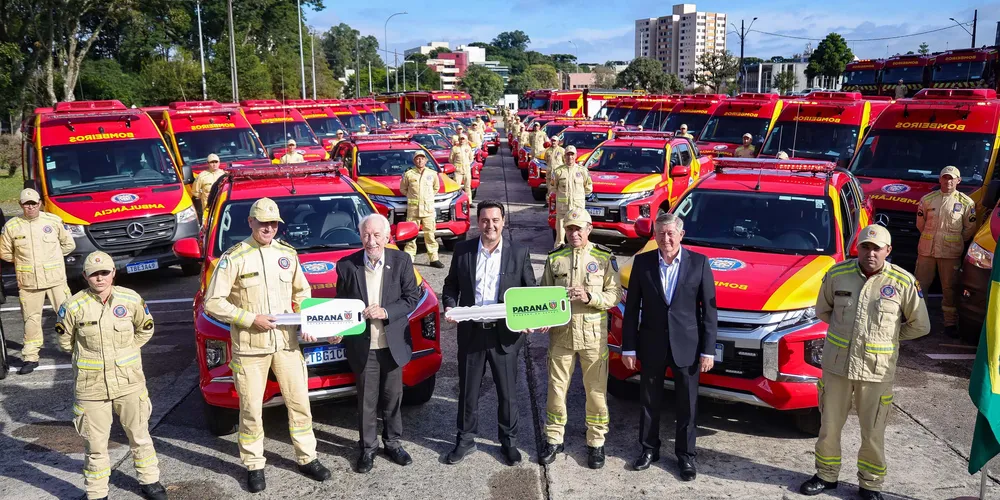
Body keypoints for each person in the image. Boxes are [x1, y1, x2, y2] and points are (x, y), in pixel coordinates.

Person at [203, 198, 331, 492]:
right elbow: (213, 302)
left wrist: (307, 320)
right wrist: (249, 318)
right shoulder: (234, 257)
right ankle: (254, 464)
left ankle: (307, 457)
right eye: (263, 223)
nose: (269, 228)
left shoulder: (287, 254)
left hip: (286, 344)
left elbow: (302, 291)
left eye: (273, 223)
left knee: (300, 403)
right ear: (250, 222)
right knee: (250, 409)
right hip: (250, 348)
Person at [799, 225, 930, 500]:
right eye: (866, 247)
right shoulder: (838, 274)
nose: (871, 253)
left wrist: (890, 338)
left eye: (877, 248)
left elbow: (920, 325)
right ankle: (826, 475)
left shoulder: (903, 282)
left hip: (876, 370)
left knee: (873, 432)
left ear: (888, 250)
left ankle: (870, 484)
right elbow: (823, 310)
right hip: (837, 366)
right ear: (857, 248)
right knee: (829, 426)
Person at [56, 251, 167, 500]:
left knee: (140, 436)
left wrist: (126, 353)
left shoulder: (130, 299)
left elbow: (145, 329)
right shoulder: (72, 306)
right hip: (91, 388)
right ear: (85, 276)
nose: (100, 278)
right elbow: (65, 343)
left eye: (104, 272)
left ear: (113, 273)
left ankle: (150, 481)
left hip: (129, 382)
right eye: (94, 274)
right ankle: (97, 493)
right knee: (95, 446)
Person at [621, 212, 718, 480]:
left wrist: (708, 350)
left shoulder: (699, 263)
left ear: (681, 235)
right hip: (651, 343)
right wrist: (628, 348)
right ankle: (649, 449)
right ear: (654, 235)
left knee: (687, 404)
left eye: (671, 233)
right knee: (649, 400)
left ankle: (686, 457)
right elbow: (631, 310)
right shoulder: (642, 264)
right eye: (661, 233)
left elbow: (709, 312)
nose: (666, 239)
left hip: (687, 345)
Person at [442, 200, 537, 466]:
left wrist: (532, 317)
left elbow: (529, 291)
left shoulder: (519, 253)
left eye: (495, 220)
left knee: (507, 393)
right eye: (485, 220)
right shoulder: (463, 251)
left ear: (503, 222)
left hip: (504, 335)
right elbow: (451, 286)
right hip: (472, 333)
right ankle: (465, 440)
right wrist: (450, 306)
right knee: (468, 391)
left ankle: (509, 442)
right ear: (478, 222)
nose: (490, 225)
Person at [332, 214, 422, 473]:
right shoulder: (346, 266)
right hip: (363, 346)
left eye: (377, 235)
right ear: (361, 236)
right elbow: (341, 305)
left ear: (387, 237)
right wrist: (337, 329)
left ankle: (393, 443)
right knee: (366, 401)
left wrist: (385, 311)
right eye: (366, 235)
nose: (371, 241)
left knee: (393, 397)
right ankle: (367, 448)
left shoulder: (402, 260)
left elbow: (411, 298)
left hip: (391, 344)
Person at [538, 210, 622, 469]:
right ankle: (554, 437)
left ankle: (596, 442)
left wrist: (590, 297)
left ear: (589, 228)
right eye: (570, 229)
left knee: (596, 392)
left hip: (593, 338)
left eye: (579, 229)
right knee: (556, 389)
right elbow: (543, 294)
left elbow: (615, 295)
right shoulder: (555, 258)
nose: (574, 234)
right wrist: (543, 316)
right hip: (561, 335)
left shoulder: (604, 257)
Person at [0, 188, 75, 374]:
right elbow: (5, 252)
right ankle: (31, 357)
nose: (30, 207)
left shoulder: (54, 221)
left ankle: (73, 348)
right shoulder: (12, 226)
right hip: (29, 283)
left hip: (55, 279)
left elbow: (69, 244)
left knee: (67, 315)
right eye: (26, 204)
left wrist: (53, 260)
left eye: (34, 203)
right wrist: (25, 263)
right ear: (21, 205)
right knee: (31, 320)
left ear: (40, 203)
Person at [914, 166, 976, 337]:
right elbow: (921, 224)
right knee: (920, 286)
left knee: (950, 288)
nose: (948, 181)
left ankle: (949, 323)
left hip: (950, 253)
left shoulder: (966, 203)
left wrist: (952, 241)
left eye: (952, 178)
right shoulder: (927, 200)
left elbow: (969, 229)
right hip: (927, 251)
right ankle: (919, 321)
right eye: (945, 178)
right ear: (939, 180)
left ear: (958, 180)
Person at [399, 150, 444, 268]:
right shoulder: (409, 174)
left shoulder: (432, 174)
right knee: (410, 236)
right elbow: (403, 189)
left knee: (430, 235)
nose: (420, 160)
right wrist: (411, 196)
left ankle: (434, 259)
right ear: (414, 161)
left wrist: (427, 198)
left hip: (428, 210)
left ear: (426, 160)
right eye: (417, 158)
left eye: (422, 158)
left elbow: (436, 188)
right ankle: (409, 258)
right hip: (413, 210)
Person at [548, 146, 593, 248]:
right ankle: (558, 254)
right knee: (560, 239)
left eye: (572, 154)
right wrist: (563, 196)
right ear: (564, 156)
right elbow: (553, 187)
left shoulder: (582, 171)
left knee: (578, 235)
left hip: (577, 208)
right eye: (568, 154)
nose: (570, 157)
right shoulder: (558, 171)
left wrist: (578, 196)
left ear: (576, 156)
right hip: (563, 209)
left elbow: (588, 188)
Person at [193, 153, 225, 222]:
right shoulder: (201, 176)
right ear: (207, 163)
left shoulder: (224, 175)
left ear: (219, 163)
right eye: (212, 162)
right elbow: (195, 192)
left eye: (216, 162)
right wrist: (203, 197)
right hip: (207, 209)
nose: (214, 164)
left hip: (221, 206)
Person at [451, 135, 473, 201]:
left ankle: (469, 201)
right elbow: (451, 159)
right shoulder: (455, 148)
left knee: (467, 186)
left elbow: (471, 158)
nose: (462, 140)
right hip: (458, 171)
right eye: (460, 139)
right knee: (457, 186)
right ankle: (457, 201)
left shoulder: (468, 148)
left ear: (466, 140)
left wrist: (467, 164)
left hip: (466, 170)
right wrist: (456, 165)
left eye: (463, 139)